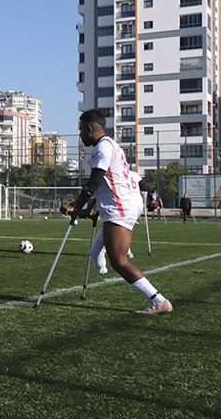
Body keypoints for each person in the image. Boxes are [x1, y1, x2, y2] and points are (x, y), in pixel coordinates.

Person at [61, 109, 172, 315]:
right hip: (120, 205)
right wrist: (86, 210)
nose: (80, 135)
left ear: (89, 128)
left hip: (120, 209)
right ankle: (157, 299)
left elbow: (94, 182)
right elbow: (107, 184)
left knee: (119, 261)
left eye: (81, 130)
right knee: (101, 252)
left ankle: (159, 301)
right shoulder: (111, 145)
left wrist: (75, 205)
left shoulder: (102, 148)